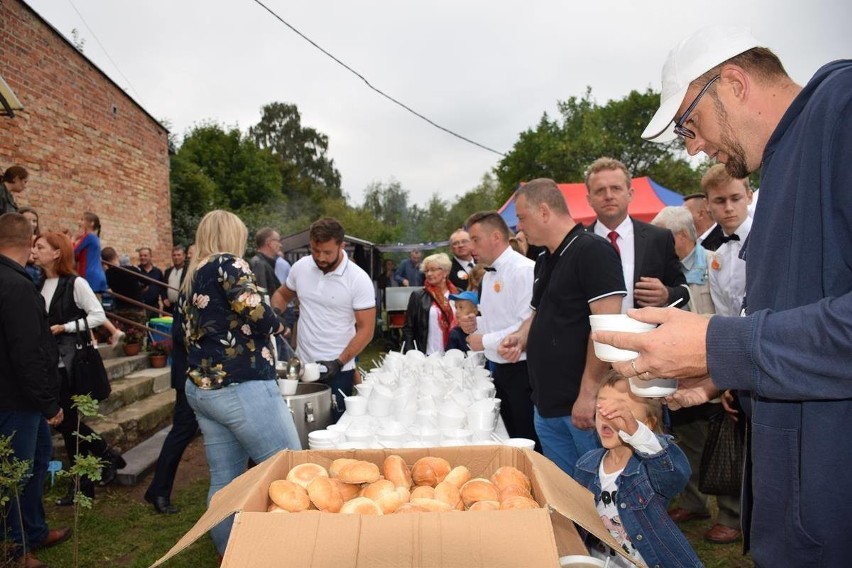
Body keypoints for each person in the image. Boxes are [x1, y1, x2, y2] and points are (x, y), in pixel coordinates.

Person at [592, 24, 852, 566]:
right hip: (800, 508)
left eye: (689, 122)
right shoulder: (783, 161)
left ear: (733, 83)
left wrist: (721, 345)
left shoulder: (842, 113)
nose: (692, 146)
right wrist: (721, 372)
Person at [179, 210, 301, 556]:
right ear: (232, 236)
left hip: (204, 389)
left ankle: (230, 554)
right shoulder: (229, 264)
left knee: (225, 481)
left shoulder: (193, 274)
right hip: (241, 384)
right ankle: (297, 550)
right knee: (290, 467)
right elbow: (256, 310)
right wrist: (278, 325)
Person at [498, 179, 626, 475]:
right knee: (568, 491)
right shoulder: (544, 258)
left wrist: (589, 393)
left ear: (544, 211)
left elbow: (605, 329)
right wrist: (519, 338)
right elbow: (538, 314)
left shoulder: (593, 251)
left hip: (579, 404)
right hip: (547, 404)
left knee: (598, 488)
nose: (519, 227)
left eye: (521, 217)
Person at [33, 232, 126, 506]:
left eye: (40, 247)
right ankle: (93, 474)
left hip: (73, 365)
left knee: (67, 423)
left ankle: (102, 459)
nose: (34, 251)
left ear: (57, 253)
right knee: (68, 426)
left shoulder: (76, 283)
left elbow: (98, 315)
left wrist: (66, 327)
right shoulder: (39, 284)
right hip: (52, 365)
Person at [573, 372, 701, 568]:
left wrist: (636, 433)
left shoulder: (648, 469)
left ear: (647, 424)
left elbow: (675, 474)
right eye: (602, 403)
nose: (606, 413)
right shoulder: (586, 464)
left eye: (620, 408)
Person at [0, 213, 70, 568]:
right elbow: (27, 351)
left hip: (20, 397)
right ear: (29, 244)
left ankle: (35, 529)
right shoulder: (17, 285)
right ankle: (14, 548)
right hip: (18, 400)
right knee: (15, 474)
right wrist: (47, 402)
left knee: (38, 461)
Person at [271, 218, 376, 423]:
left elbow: (366, 330)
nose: (320, 257)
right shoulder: (301, 267)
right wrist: (275, 313)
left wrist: (338, 363)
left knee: (334, 427)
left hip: (339, 369)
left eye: (327, 252)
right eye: (315, 250)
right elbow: (282, 295)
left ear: (341, 245)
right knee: (302, 424)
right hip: (302, 365)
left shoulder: (358, 279)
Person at [462, 211, 538, 447]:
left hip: (524, 368)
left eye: (475, 240)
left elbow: (526, 324)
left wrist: (483, 341)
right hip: (500, 367)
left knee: (527, 437)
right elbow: (498, 321)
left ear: (496, 236)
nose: (470, 247)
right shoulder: (487, 275)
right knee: (511, 433)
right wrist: (476, 324)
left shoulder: (524, 269)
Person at [585, 157, 689, 313]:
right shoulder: (577, 243)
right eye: (600, 190)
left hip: (646, 335)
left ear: (630, 194)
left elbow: (684, 291)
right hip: (592, 336)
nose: (608, 196)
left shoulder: (659, 239)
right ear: (589, 200)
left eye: (616, 188)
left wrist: (667, 295)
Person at [143, 307, 197, 515]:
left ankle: (157, 489)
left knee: (183, 433)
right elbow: (180, 335)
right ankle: (159, 492)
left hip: (195, 376)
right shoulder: (191, 294)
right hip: (190, 377)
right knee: (181, 433)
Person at [73, 212, 124, 344]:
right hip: (95, 275)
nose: (79, 221)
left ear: (90, 223)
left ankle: (113, 332)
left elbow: (73, 252)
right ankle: (93, 339)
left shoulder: (88, 237)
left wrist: (73, 239)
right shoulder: (93, 238)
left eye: (82, 219)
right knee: (88, 309)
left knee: (91, 309)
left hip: (90, 276)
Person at [401, 253, 458, 355]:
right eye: (426, 271)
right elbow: (408, 328)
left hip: (454, 354)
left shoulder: (458, 294)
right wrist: (410, 353)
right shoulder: (418, 296)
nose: (429, 274)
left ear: (445, 272)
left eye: (433, 269)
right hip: (427, 354)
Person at [137, 247, 164, 317]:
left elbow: (162, 288)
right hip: (140, 307)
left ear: (150, 256)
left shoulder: (158, 272)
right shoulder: (136, 271)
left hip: (154, 307)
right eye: (141, 256)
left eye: (145, 255)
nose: (143, 257)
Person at [160, 245, 188, 314]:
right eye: (174, 255)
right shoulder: (168, 271)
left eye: (179, 255)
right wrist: (164, 298)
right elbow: (163, 287)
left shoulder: (188, 271)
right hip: (169, 307)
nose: (176, 257)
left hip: (183, 306)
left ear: (184, 256)